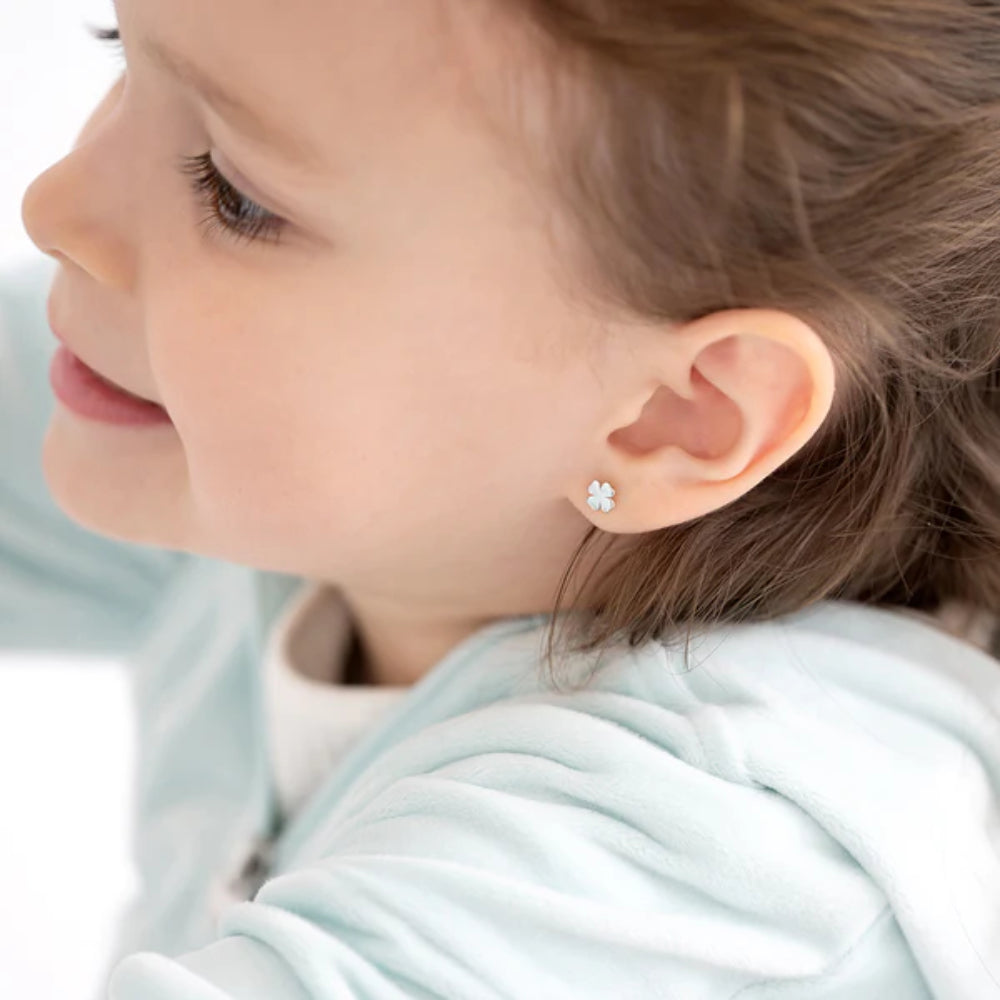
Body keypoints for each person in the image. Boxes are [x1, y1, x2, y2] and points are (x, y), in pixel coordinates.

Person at [5, 0, 1000, 996]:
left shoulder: (692, 865)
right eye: (121, 55)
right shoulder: (320, 496)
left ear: (672, 417)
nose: (54, 206)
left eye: (231, 194)